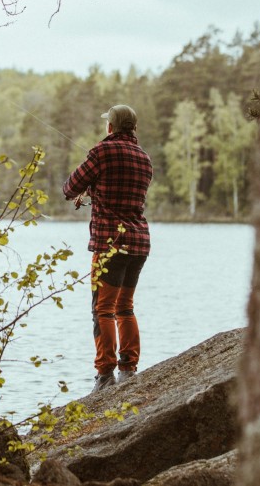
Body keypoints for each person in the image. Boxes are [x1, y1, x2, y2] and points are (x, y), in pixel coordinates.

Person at [63, 104, 153, 393]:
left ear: (111, 127)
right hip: (139, 242)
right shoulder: (145, 158)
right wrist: (94, 190)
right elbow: (121, 191)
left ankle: (104, 375)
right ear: (134, 128)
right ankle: (128, 369)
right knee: (125, 306)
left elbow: (69, 187)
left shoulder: (101, 151)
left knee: (102, 309)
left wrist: (85, 189)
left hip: (110, 243)